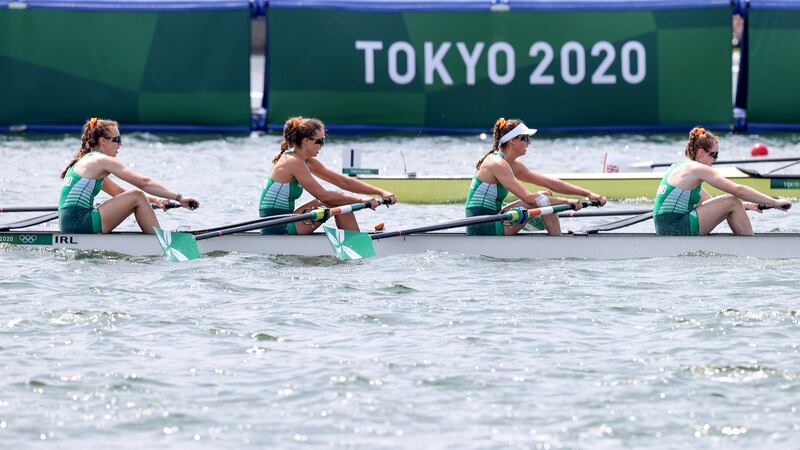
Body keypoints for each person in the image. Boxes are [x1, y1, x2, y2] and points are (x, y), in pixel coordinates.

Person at [466, 117, 607, 236]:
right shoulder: (497, 163)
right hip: (481, 225)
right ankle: (557, 243)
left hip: (496, 217)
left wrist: (588, 194)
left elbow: (551, 183)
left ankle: (555, 238)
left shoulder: (512, 165)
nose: (529, 142)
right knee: (541, 200)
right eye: (525, 138)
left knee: (545, 195)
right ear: (512, 140)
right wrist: (567, 201)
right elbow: (528, 198)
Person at [58, 117, 199, 234]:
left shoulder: (89, 162)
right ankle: (161, 242)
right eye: (117, 139)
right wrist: (179, 198)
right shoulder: (100, 160)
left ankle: (156, 239)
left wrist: (156, 200)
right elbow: (144, 183)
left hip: (69, 223)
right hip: (79, 222)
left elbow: (118, 192)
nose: (120, 144)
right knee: (137, 195)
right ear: (103, 141)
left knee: (136, 196)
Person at [258, 116, 396, 234]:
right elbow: (324, 196)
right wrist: (362, 201)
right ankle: (356, 245)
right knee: (335, 200)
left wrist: (380, 192)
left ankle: (354, 240)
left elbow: (343, 182)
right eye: (319, 141)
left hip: (285, 219)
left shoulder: (306, 161)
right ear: (306, 141)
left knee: (339, 200)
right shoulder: (293, 162)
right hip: (276, 225)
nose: (322, 145)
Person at [653, 127, 791, 236]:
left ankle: (747, 242)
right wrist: (775, 202)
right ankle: (753, 247)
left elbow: (709, 202)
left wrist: (747, 205)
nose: (715, 160)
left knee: (734, 202)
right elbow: (738, 191)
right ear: (701, 152)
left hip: (666, 227)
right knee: (732, 200)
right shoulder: (697, 169)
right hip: (675, 228)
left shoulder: (680, 167)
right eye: (714, 154)